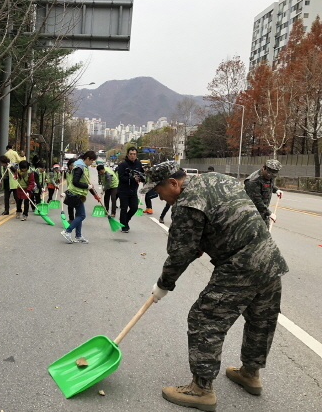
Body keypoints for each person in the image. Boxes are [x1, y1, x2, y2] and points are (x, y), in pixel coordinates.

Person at [142, 161, 288, 411]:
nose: (159, 198)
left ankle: (201, 389)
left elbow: (180, 254)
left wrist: (163, 285)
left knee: (204, 319)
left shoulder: (186, 203)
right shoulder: (217, 178)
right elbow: (228, 213)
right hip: (269, 256)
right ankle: (250, 374)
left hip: (240, 263)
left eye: (158, 192)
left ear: (174, 183)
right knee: (260, 318)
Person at [61, 151, 97, 244]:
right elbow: (75, 182)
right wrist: (87, 186)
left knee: (79, 215)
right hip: (76, 194)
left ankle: (78, 235)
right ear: (88, 158)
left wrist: (93, 193)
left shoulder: (83, 167)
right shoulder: (79, 168)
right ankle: (67, 231)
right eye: (91, 161)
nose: (92, 163)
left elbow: (84, 181)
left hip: (79, 194)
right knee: (82, 215)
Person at [244, 159, 283, 228]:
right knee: (254, 237)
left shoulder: (270, 175)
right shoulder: (253, 181)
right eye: (269, 175)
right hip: (251, 215)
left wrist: (276, 190)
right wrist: (269, 213)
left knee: (265, 235)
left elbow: (269, 185)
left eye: (273, 176)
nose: (270, 177)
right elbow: (256, 201)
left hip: (263, 213)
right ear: (264, 167)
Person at [117, 147, 144, 233]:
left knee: (134, 208)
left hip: (133, 191)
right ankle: (124, 225)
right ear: (128, 154)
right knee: (124, 208)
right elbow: (121, 178)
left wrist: (141, 178)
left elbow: (142, 174)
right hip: (123, 190)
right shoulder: (123, 164)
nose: (132, 156)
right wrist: (132, 178)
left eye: (134, 154)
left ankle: (124, 220)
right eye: (131, 154)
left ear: (136, 155)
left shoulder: (138, 164)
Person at [64, 158, 77, 222]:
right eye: (71, 165)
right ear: (68, 165)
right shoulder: (67, 173)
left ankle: (77, 220)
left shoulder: (77, 173)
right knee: (70, 206)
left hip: (77, 192)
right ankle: (71, 219)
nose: (72, 166)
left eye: (74, 165)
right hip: (70, 191)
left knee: (77, 207)